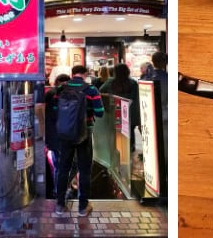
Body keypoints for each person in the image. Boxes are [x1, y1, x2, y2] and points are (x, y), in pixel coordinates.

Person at [54, 66, 104, 216]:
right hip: (84, 134)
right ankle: (83, 207)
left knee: (63, 169)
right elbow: (100, 113)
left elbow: (56, 109)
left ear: (72, 74)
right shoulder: (91, 90)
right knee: (84, 170)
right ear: (85, 74)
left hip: (65, 134)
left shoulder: (62, 89)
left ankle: (60, 205)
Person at [36, 74, 70, 199]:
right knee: (66, 164)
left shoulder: (50, 94)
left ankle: (57, 189)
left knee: (57, 164)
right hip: (68, 136)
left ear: (56, 82)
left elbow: (41, 111)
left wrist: (43, 130)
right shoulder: (72, 95)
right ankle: (63, 188)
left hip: (54, 136)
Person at [100, 64, 141, 151]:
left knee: (116, 131)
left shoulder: (110, 82)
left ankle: (118, 149)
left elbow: (100, 91)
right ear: (127, 71)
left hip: (116, 111)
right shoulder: (133, 82)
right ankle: (130, 148)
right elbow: (136, 99)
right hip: (130, 112)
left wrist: (110, 96)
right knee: (129, 131)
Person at [150, 52, 168, 164]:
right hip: (165, 117)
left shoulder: (146, 78)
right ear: (165, 63)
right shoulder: (169, 78)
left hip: (150, 116)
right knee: (165, 146)